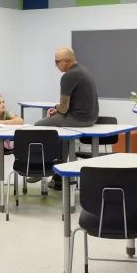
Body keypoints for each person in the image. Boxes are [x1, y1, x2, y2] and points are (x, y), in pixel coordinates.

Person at [36, 47, 99, 189]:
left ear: (66, 61)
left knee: (38, 126)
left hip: (79, 119)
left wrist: (57, 108)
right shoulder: (84, 71)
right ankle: (58, 174)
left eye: (57, 61)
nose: (55, 65)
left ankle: (38, 168)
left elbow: (64, 108)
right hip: (91, 117)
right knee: (61, 135)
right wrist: (58, 109)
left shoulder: (68, 76)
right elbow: (66, 107)